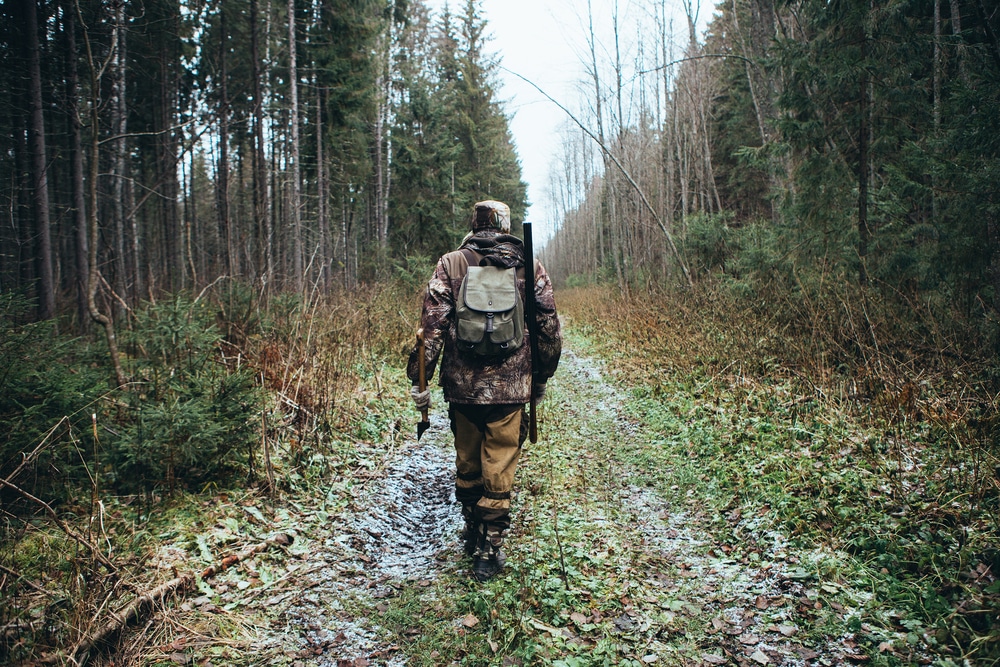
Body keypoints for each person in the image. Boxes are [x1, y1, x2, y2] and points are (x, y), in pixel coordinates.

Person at [407, 200, 562, 581]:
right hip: (511, 387)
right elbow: (548, 327)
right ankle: (490, 548)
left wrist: (419, 376)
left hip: (463, 387)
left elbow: (432, 327)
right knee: (501, 460)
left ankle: (472, 527)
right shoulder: (530, 264)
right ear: (505, 224)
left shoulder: (451, 263)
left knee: (468, 460)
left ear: (473, 224)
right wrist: (542, 376)